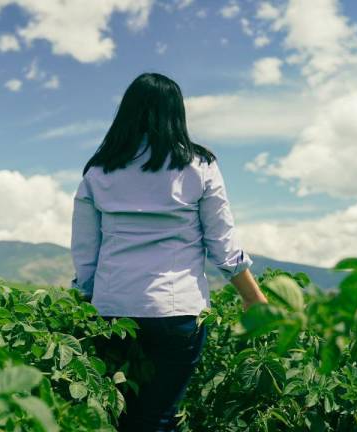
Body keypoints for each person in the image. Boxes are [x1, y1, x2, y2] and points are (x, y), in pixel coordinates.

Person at [70, 72, 268, 432]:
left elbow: (86, 251)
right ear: (177, 114)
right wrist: (253, 298)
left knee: (118, 413)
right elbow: (223, 243)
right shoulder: (199, 166)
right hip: (176, 310)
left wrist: (85, 301)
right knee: (157, 417)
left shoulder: (98, 171)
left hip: (112, 311)